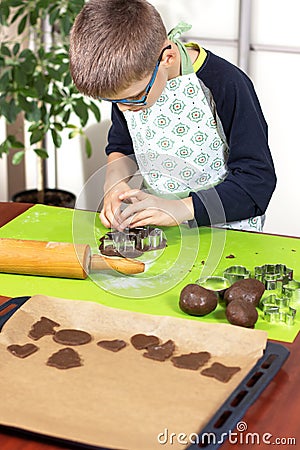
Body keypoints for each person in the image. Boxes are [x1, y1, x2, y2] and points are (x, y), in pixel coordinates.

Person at [69, 0, 276, 232]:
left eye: (135, 97)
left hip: (229, 231)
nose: (125, 109)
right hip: (163, 231)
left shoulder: (227, 83)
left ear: (166, 58)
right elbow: (123, 147)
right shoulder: (130, 87)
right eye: (115, 102)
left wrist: (179, 209)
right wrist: (114, 186)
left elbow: (256, 183)